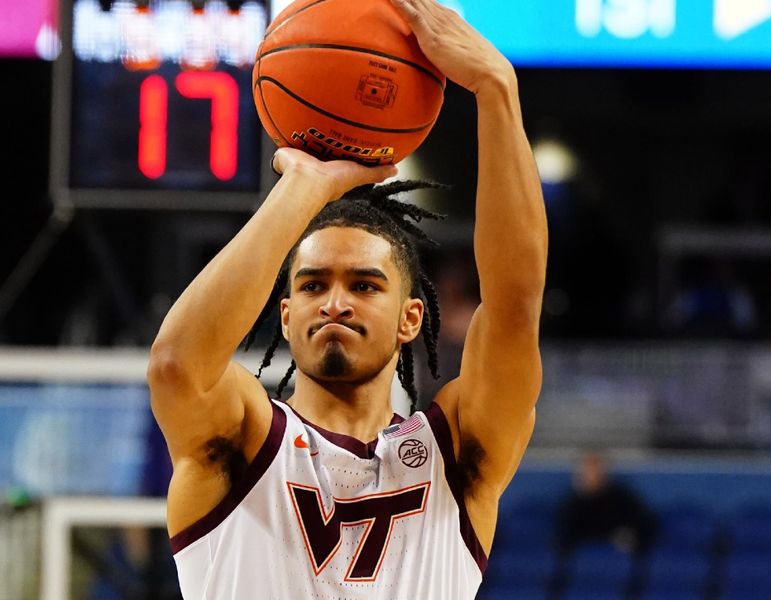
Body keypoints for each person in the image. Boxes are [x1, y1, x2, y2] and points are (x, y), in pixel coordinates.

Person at [147, 0, 547, 597]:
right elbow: (176, 365)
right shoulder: (243, 438)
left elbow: (514, 308)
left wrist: (496, 88)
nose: (335, 302)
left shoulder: (457, 452)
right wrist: (303, 190)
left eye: (364, 284)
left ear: (412, 317)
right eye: (312, 285)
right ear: (285, 316)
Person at [556, 452, 655, 555]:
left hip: (620, 551)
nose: (592, 477)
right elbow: (564, 534)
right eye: (588, 473)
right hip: (586, 553)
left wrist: (630, 535)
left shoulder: (621, 498)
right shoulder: (572, 504)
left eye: (596, 472)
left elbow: (642, 522)